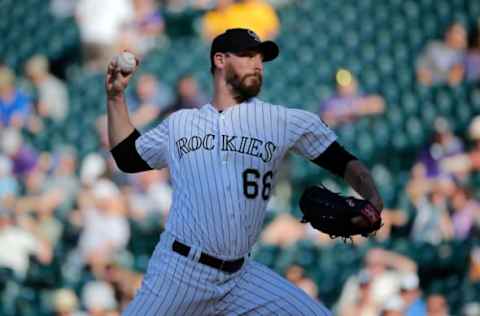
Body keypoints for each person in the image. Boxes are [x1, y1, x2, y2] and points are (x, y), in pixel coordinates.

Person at [105, 28, 383, 315]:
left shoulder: (280, 120)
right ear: (220, 60)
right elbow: (127, 157)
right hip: (179, 271)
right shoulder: (180, 124)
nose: (257, 64)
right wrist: (115, 97)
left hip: (240, 277)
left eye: (261, 58)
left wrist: (373, 198)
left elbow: (343, 161)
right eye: (248, 55)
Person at [319, 68, 385, 127]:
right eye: (343, 85)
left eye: (349, 83)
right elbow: (327, 120)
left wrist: (353, 109)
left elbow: (379, 104)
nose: (347, 87)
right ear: (337, 87)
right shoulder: (332, 101)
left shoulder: (361, 95)